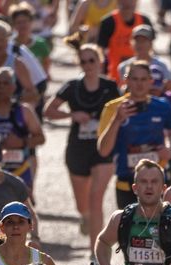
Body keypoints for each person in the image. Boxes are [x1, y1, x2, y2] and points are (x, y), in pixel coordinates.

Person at [46, 44, 121, 245]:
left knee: (96, 200)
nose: (88, 65)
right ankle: (85, 217)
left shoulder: (111, 87)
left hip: (103, 149)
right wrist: (72, 115)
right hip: (78, 149)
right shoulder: (72, 87)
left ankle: (95, 253)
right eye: (83, 61)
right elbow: (49, 110)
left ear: (100, 62)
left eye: (92, 60)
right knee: (83, 205)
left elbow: (123, 111)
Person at [98, 62, 171, 209]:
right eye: (135, 79)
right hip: (127, 183)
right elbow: (103, 150)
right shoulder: (113, 108)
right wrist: (117, 120)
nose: (139, 84)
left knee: (158, 230)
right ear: (126, 80)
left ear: (151, 81)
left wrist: (170, 149)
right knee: (130, 231)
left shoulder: (162, 106)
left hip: (156, 181)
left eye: (144, 79)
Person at [0, 67, 46, 193]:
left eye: (6, 83)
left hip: (21, 169)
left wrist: (22, 142)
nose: (1, 87)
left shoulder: (24, 111)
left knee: (20, 209)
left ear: (13, 87)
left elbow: (41, 138)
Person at [96, 0, 153, 81]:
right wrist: (101, 76)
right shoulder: (109, 22)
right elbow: (100, 52)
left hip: (141, 79)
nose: (127, 3)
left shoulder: (144, 21)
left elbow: (151, 50)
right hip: (115, 78)